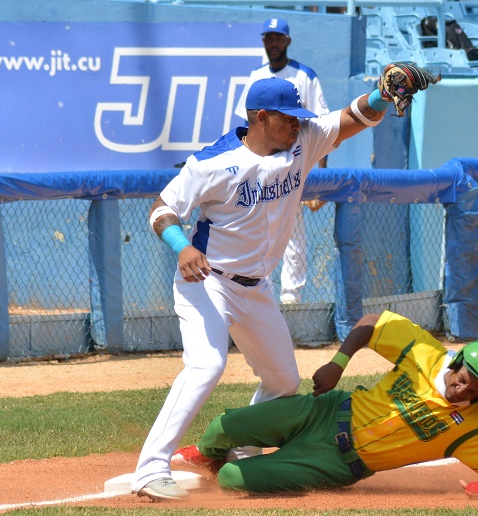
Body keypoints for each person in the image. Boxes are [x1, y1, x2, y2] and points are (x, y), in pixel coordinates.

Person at [134, 70, 416, 501]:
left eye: (300, 118)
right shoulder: (212, 162)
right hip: (207, 282)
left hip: (257, 288)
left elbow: (350, 119)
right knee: (207, 366)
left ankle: (241, 448)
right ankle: (150, 469)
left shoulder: (300, 139)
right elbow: (162, 207)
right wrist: (180, 246)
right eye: (288, 119)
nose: (298, 125)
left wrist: (381, 95)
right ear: (262, 117)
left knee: (283, 380)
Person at [179, 310, 478, 496]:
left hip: (334, 464)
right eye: (463, 382)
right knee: (221, 428)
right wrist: (338, 364)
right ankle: (208, 454)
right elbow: (371, 322)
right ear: (458, 363)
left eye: (475, 394)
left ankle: (222, 467)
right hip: (323, 410)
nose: (462, 394)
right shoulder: (425, 352)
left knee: (233, 478)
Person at [234, 18, 330, 305]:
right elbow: (246, 126)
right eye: (269, 38)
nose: (273, 42)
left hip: (295, 163)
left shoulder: (305, 75)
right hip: (262, 166)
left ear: (288, 41)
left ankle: (291, 299)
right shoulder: (255, 75)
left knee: (293, 235)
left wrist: (319, 178)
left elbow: (322, 126)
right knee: (258, 231)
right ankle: (259, 295)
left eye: (278, 38)